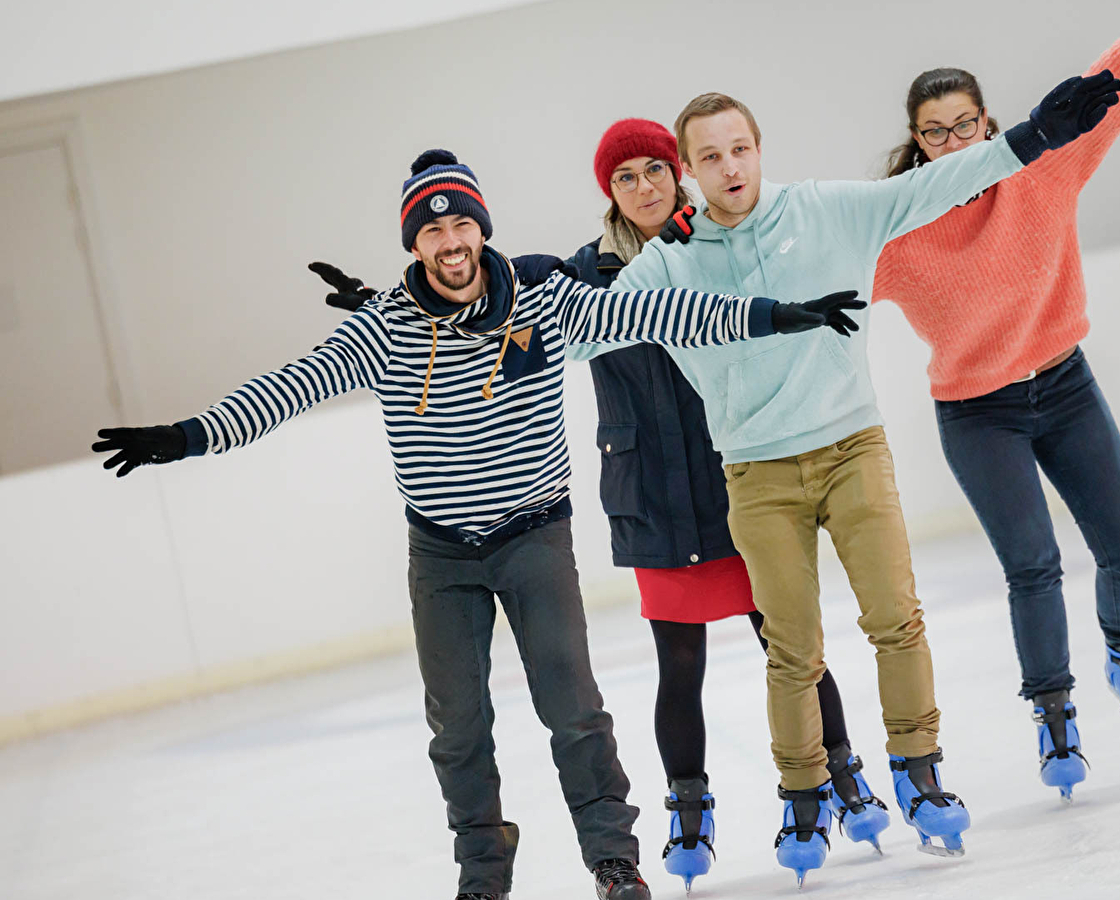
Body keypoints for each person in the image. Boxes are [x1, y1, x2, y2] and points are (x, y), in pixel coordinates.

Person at [91, 149, 862, 900]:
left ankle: (613, 862)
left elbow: (655, 309)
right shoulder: (383, 328)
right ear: (414, 243)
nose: (450, 242)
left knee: (573, 711)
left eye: (461, 225)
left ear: (481, 231)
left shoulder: (543, 302)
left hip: (534, 536)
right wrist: (190, 436)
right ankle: (483, 873)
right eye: (431, 231)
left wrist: (773, 315)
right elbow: (292, 386)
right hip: (441, 553)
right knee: (457, 727)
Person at [313, 119, 889, 894]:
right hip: (650, 491)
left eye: (656, 170)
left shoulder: (720, 245)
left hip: (736, 474)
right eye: (626, 177)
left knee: (787, 641)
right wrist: (399, 304)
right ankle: (687, 811)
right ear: (608, 190)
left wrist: (784, 311)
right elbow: (489, 288)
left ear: (678, 173)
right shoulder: (580, 274)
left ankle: (836, 774)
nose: (644, 187)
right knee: (676, 664)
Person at [583, 67, 1120, 883]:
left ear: (760, 151)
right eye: (710, 157)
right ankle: (803, 795)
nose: (730, 168)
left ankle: (920, 770)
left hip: (850, 450)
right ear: (687, 170)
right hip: (757, 474)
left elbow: (944, 178)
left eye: (740, 149)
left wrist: (1037, 136)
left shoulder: (826, 210)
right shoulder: (667, 266)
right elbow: (578, 330)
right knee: (791, 649)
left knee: (895, 618)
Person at [873, 0, 1120, 801]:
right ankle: (1054, 719)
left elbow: (1105, 90)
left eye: (964, 125)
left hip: (1064, 383)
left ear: (989, 124)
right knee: (1034, 568)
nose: (951, 142)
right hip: (978, 413)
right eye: (933, 132)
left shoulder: (1043, 169)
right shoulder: (898, 232)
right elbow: (806, 256)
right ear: (916, 142)